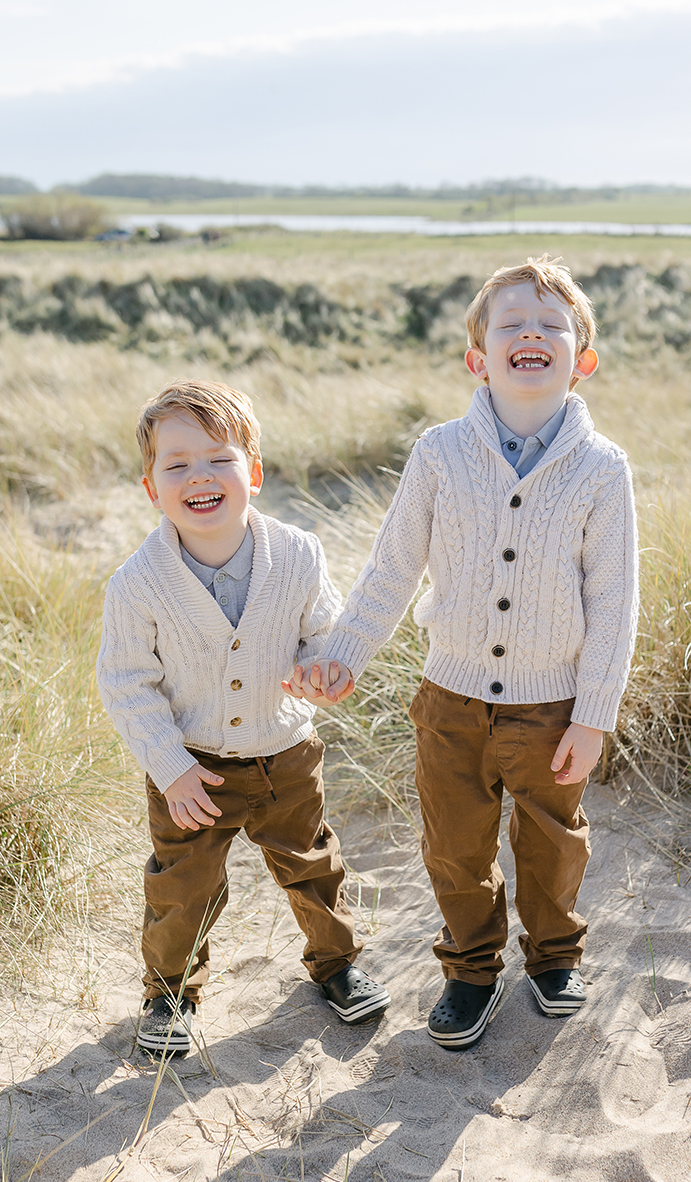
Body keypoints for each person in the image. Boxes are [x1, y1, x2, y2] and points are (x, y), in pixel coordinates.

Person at [283, 256, 638, 1050]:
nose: (531, 335)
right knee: (455, 847)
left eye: (552, 326)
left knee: (552, 843)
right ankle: (472, 969)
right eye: (511, 324)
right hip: (451, 701)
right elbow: (392, 569)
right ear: (479, 358)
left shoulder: (601, 469)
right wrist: (343, 651)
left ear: (581, 360)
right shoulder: (440, 453)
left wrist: (594, 715)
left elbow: (615, 603)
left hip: (552, 708)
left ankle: (553, 958)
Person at [96, 380, 389, 1056]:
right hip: (191, 766)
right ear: (152, 489)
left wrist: (325, 669)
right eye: (176, 465)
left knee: (313, 864)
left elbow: (324, 636)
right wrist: (171, 770)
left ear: (252, 474)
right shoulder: (137, 584)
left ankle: (337, 965)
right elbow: (126, 684)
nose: (198, 475)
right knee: (183, 885)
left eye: (217, 458)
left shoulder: (299, 554)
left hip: (284, 749)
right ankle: (169, 992)